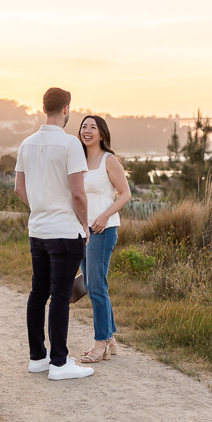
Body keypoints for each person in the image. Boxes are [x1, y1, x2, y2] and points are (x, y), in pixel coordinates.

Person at [14, 87, 93, 381]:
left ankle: (38, 358)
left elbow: (19, 189)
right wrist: (83, 226)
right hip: (65, 232)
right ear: (66, 108)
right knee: (60, 295)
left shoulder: (27, 144)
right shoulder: (70, 145)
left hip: (39, 230)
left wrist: (42, 208)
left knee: (38, 293)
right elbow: (78, 195)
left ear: (44, 107)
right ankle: (60, 363)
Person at [77, 115, 132, 364]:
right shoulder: (77, 159)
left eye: (93, 127)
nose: (87, 131)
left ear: (101, 134)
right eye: (84, 126)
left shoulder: (109, 160)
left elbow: (125, 194)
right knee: (91, 284)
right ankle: (109, 338)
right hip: (81, 230)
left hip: (102, 229)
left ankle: (100, 343)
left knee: (97, 286)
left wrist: (104, 217)